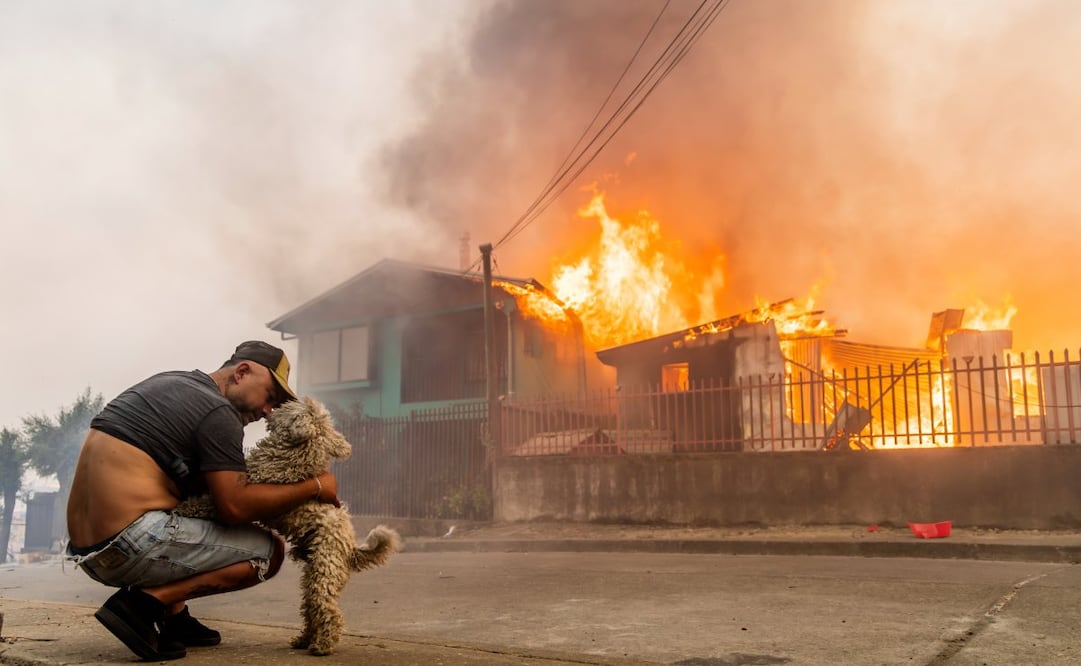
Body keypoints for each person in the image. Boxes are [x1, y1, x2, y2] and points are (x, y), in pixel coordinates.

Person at [65, 340, 340, 661]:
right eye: (270, 396)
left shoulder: (170, 383)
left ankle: (174, 618)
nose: (268, 410)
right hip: (131, 542)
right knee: (268, 552)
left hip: (89, 553)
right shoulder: (218, 411)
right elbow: (234, 507)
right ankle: (142, 606)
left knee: (190, 503)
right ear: (242, 372)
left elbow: (195, 493)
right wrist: (316, 486)